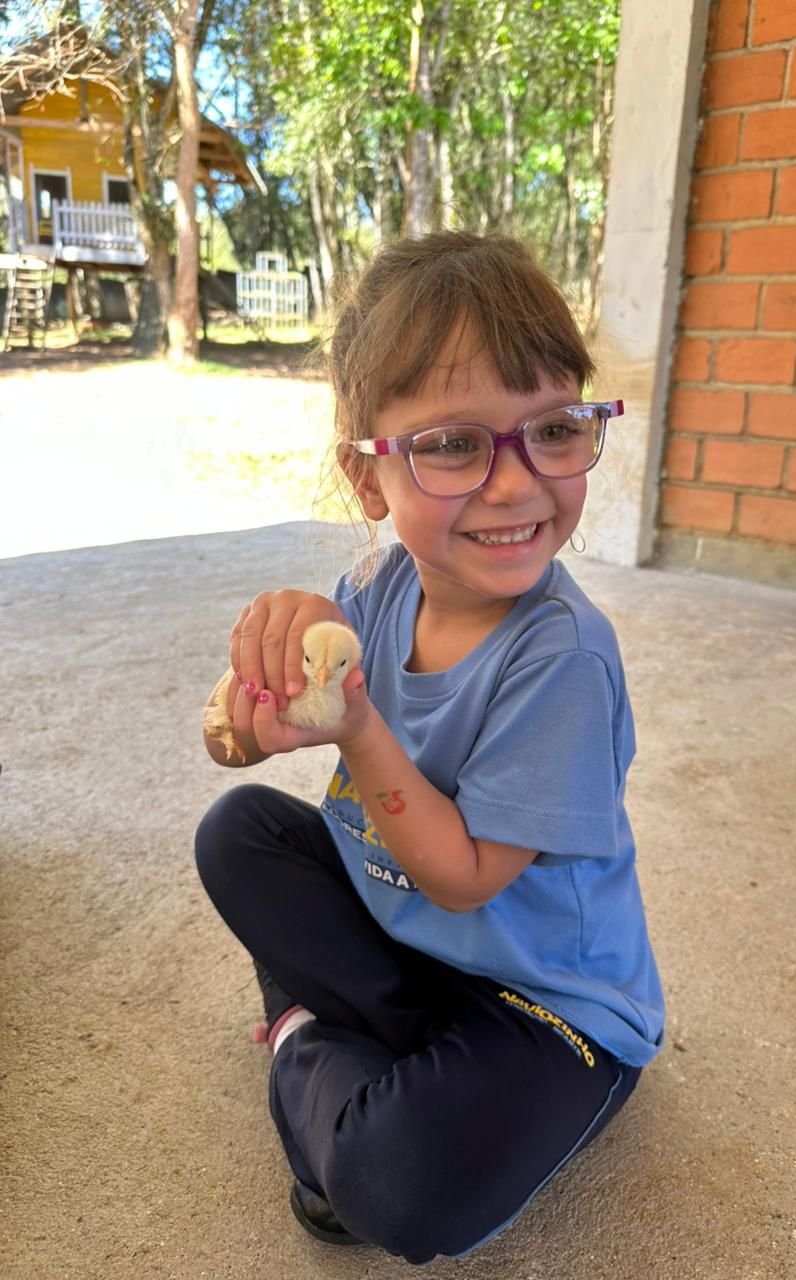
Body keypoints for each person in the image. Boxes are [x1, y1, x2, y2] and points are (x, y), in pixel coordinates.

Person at [195, 231, 665, 1265]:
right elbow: (236, 741)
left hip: (545, 1003)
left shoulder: (564, 658)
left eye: (554, 429)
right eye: (453, 445)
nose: (516, 484)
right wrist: (250, 711)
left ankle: (305, 1038)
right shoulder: (374, 591)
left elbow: (463, 878)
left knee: (395, 1182)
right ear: (368, 479)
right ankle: (353, 1037)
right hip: (405, 938)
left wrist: (358, 727)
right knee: (238, 834)